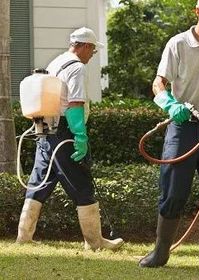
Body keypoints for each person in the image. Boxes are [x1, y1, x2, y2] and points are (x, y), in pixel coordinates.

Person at [139, 0, 199, 275]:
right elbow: (158, 83)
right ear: (198, 12)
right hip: (182, 126)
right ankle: (160, 253)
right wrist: (171, 105)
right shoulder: (178, 44)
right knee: (173, 192)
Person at [16, 27, 124, 251]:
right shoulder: (76, 67)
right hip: (65, 131)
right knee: (81, 182)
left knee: (39, 183)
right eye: (92, 51)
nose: (91, 55)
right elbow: (75, 103)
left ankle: (23, 237)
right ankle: (95, 243)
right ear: (84, 46)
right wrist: (80, 135)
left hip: (45, 130)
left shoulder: (56, 63)